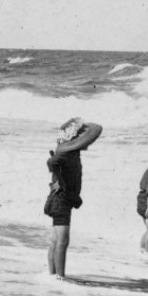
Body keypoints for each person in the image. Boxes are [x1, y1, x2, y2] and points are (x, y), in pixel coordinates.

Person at [44, 117, 103, 277]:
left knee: (56, 241)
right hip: (61, 200)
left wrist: (59, 181)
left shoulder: (68, 150)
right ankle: (60, 277)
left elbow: (96, 127)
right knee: (62, 241)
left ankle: (53, 275)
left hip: (60, 199)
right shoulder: (66, 152)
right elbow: (51, 163)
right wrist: (60, 181)